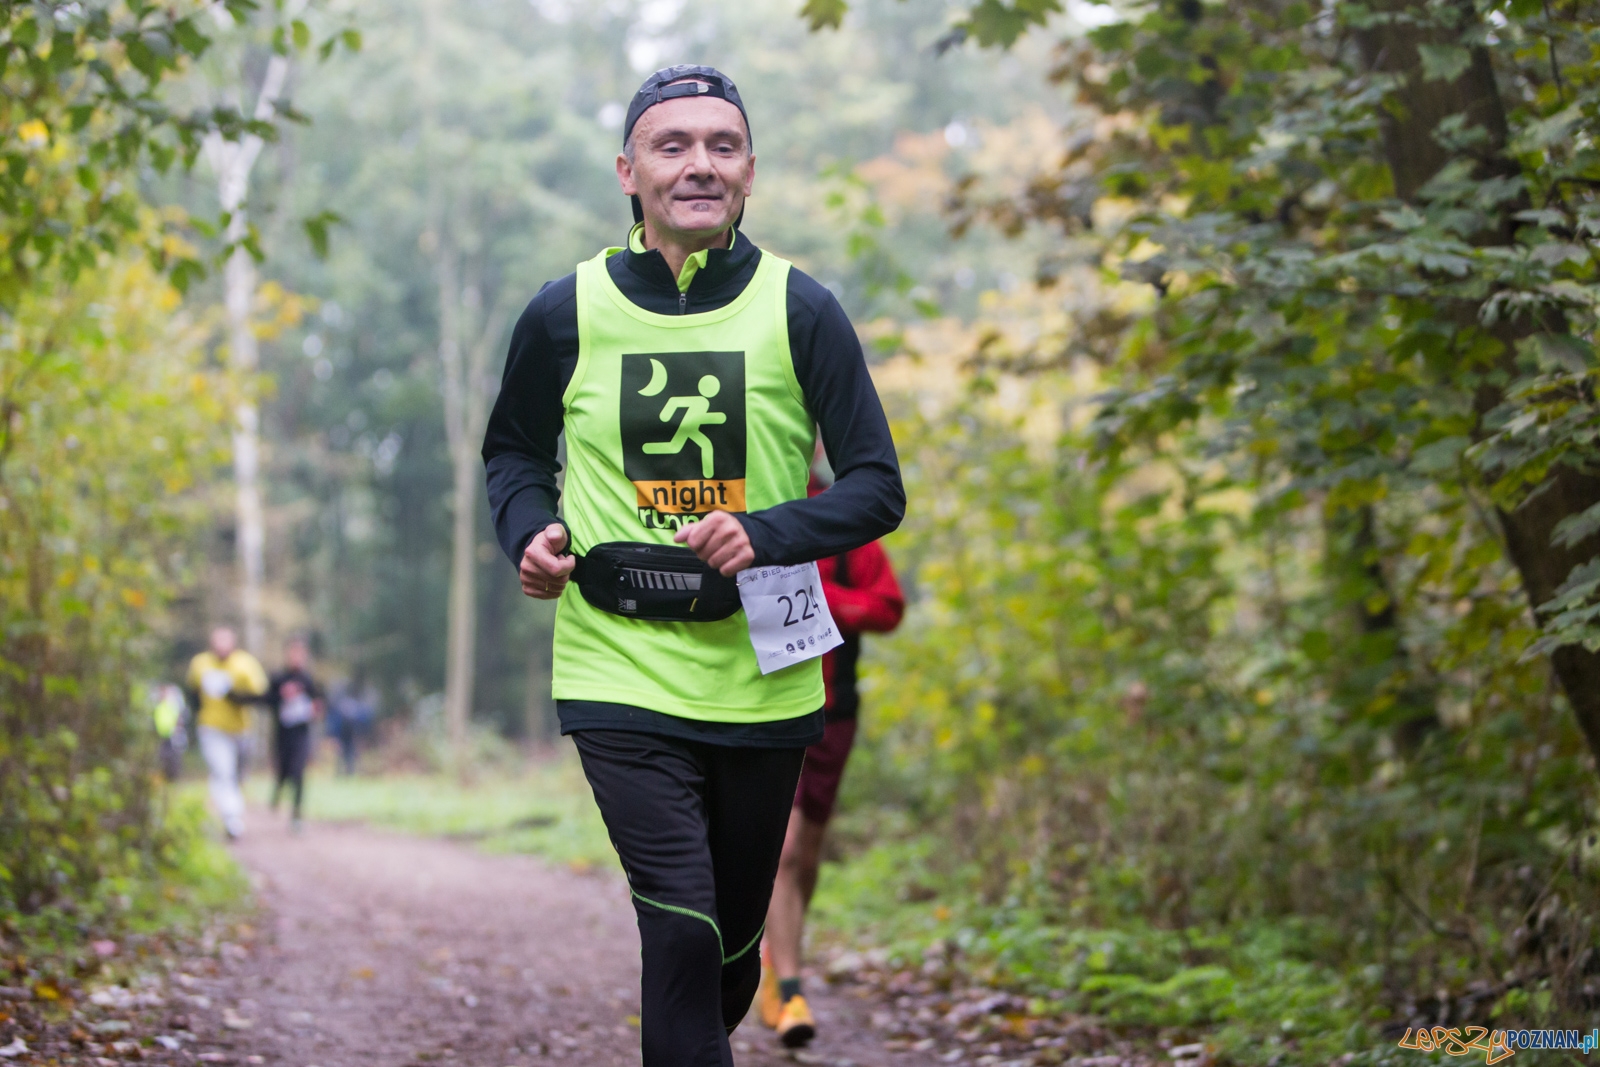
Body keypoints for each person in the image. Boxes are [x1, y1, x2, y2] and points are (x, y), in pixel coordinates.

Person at [482, 64, 904, 1067]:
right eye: (673, 146)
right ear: (628, 171)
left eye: (721, 145)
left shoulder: (802, 308)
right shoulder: (564, 310)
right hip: (615, 659)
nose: (698, 164)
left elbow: (876, 486)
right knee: (676, 925)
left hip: (764, 671)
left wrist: (766, 528)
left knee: (726, 956)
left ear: (750, 169)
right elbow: (512, 453)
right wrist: (529, 533)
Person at [756, 464, 904, 1045]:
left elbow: (888, 607)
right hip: (766, 703)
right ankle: (791, 991)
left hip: (833, 710)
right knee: (786, 850)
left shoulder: (848, 520)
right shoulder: (757, 502)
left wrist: (823, 600)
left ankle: (777, 957)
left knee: (807, 851)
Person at [185, 627, 268, 840]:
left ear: (233, 643)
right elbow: (193, 692)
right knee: (223, 772)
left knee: (238, 775)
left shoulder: (245, 664)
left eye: (226, 642)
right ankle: (231, 818)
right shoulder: (199, 664)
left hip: (240, 730)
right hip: (210, 728)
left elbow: (259, 696)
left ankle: (232, 813)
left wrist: (233, 696)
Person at [265, 637, 324, 831]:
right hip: (282, 735)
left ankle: (296, 815)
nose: (297, 657)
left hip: (302, 734)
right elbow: (267, 700)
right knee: (283, 771)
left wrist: (316, 710)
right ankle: (277, 794)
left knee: (299, 772)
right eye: (294, 653)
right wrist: (281, 695)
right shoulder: (278, 678)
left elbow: (319, 704)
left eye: (301, 653)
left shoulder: (309, 680)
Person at [150, 682, 190, 782]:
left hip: (173, 734)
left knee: (174, 756)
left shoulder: (172, 704)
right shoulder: (158, 705)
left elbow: (179, 718)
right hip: (162, 735)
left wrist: (177, 730)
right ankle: (166, 776)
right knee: (162, 756)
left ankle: (173, 777)